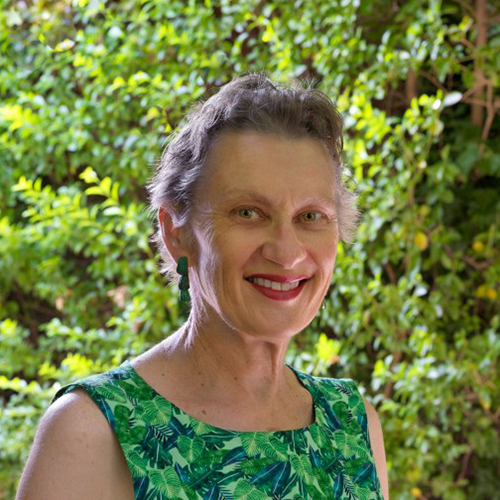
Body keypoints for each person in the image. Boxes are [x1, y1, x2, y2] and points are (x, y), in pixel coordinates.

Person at [16, 72, 389, 500]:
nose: (287, 254)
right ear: (175, 230)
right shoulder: (94, 432)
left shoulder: (353, 427)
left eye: (310, 216)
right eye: (248, 213)